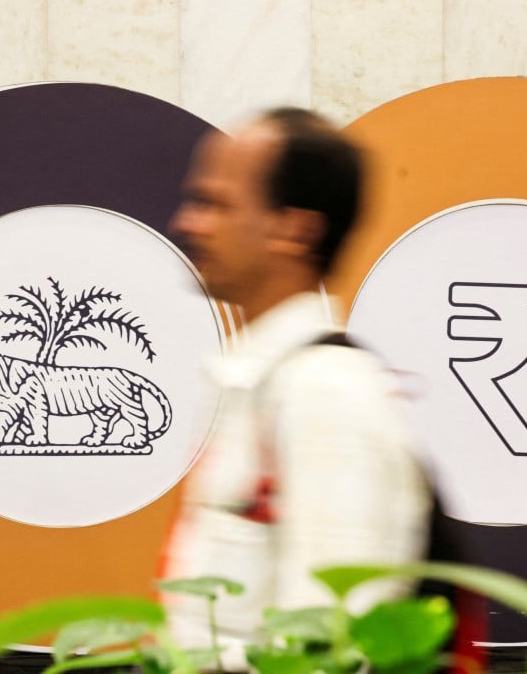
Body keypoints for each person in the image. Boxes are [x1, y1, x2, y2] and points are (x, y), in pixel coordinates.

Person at [160, 107, 431, 662]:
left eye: (216, 204)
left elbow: (331, 641)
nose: (188, 224)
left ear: (295, 229)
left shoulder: (324, 394)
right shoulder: (261, 379)